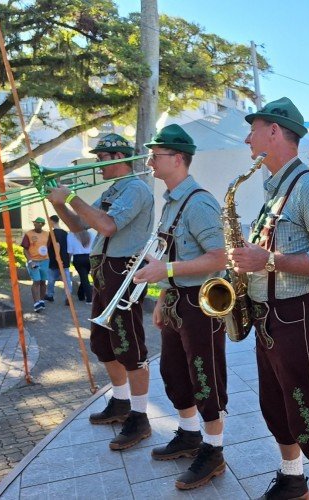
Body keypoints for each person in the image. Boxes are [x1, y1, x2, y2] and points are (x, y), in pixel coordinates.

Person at [230, 97, 309, 500]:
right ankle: (293, 478)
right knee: (275, 401)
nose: (248, 139)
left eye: (254, 129)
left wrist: (269, 259)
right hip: (269, 313)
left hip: (295, 312)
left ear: (274, 132)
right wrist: (248, 258)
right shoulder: (274, 188)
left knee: (307, 404)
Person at [132, 124, 229, 491]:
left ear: (177, 159)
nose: (150, 161)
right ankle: (190, 435)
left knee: (206, 376)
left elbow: (220, 258)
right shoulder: (172, 199)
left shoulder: (199, 202)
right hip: (177, 300)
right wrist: (163, 296)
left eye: (155, 155)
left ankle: (214, 450)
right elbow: (171, 252)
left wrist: (166, 271)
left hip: (201, 302)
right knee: (174, 372)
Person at [46, 133, 154, 451]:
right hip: (105, 271)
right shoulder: (114, 190)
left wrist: (71, 196)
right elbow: (80, 225)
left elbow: (107, 226)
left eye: (102, 158)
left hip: (123, 272)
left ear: (116, 158)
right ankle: (121, 402)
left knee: (130, 347)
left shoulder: (135, 188)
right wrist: (60, 204)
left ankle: (140, 415)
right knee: (104, 344)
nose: (98, 164)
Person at [21, 217, 49, 312]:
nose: (37, 225)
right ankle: (36, 303)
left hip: (45, 260)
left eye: (39, 223)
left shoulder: (47, 234)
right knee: (36, 281)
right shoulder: (29, 234)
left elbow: (49, 246)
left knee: (43, 281)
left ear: (43, 225)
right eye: (36, 223)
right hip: (34, 261)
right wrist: (30, 261)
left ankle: (41, 301)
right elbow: (25, 249)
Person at [45, 215, 72, 305]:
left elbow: (57, 245)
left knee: (51, 279)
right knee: (66, 280)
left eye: (49, 221)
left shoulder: (53, 233)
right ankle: (68, 296)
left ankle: (50, 295)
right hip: (65, 259)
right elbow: (68, 246)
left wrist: (57, 257)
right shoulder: (65, 233)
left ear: (52, 221)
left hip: (55, 260)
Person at [67, 228, 93, 304]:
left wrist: (68, 262)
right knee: (84, 277)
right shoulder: (90, 233)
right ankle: (80, 295)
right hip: (89, 257)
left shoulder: (71, 234)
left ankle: (89, 298)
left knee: (84, 278)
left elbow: (69, 251)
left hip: (78, 258)